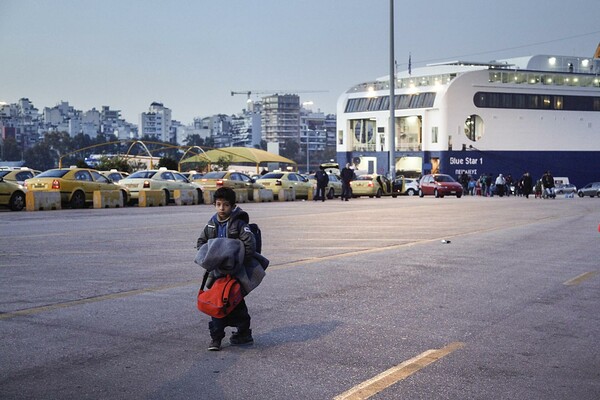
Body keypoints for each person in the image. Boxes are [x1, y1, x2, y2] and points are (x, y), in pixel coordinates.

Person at [196, 187, 262, 351]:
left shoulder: (239, 224)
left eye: (225, 205)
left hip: (235, 274)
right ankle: (216, 338)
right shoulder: (211, 225)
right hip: (217, 274)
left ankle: (243, 333)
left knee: (237, 303)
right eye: (218, 204)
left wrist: (237, 261)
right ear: (214, 205)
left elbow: (249, 245)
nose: (221, 208)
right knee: (217, 303)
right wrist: (210, 257)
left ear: (233, 206)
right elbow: (201, 243)